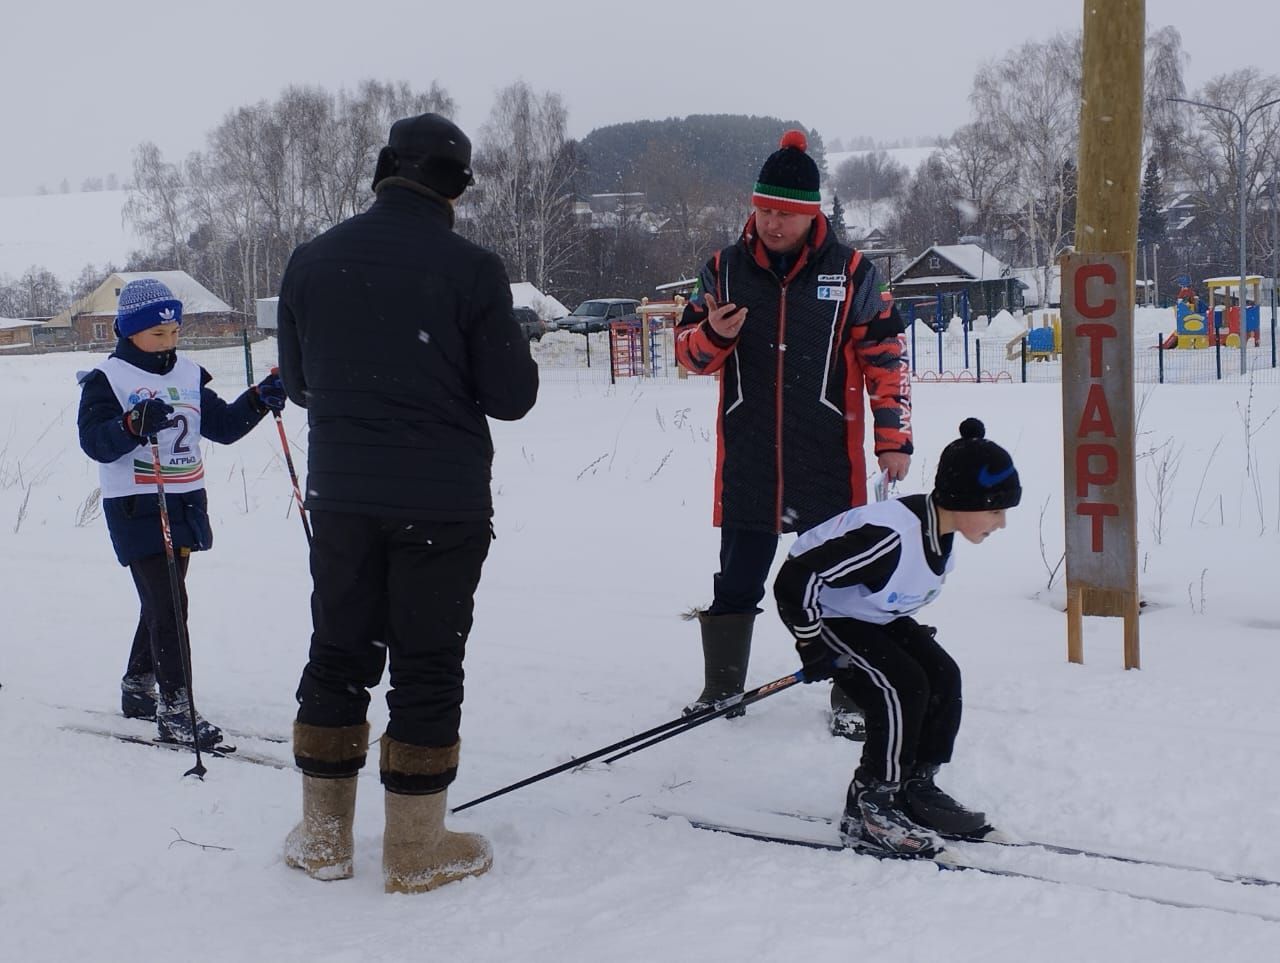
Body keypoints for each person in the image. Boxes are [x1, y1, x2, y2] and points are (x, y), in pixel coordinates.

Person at [277, 112, 538, 894]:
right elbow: (511, 396)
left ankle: (324, 837)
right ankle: (416, 848)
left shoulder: (311, 261)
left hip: (343, 500)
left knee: (338, 650)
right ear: (455, 187)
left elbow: (297, 384)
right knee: (427, 663)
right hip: (442, 504)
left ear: (384, 166)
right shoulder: (472, 269)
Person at [674, 129, 912, 735]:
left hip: (827, 461)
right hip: (750, 459)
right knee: (736, 581)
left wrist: (893, 440)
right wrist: (715, 337)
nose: (773, 224)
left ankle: (853, 693)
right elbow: (688, 356)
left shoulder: (855, 273)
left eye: (786, 214)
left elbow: (887, 359)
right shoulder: (722, 270)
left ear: (811, 215)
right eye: (765, 210)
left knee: (842, 585)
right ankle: (721, 688)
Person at [774, 418, 1021, 857]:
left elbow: (892, 588)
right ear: (963, 500)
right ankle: (872, 805)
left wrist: (902, 626)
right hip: (826, 613)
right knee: (902, 687)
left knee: (943, 675)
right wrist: (811, 643)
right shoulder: (889, 534)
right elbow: (797, 578)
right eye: (996, 510)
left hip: (869, 616)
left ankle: (915, 788)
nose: (1000, 523)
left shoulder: (939, 529)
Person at [76, 277, 286, 748]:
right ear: (128, 332)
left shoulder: (187, 374)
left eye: (173, 333)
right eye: (157, 334)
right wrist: (130, 425)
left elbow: (224, 427)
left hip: (184, 500)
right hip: (136, 503)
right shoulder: (108, 380)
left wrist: (258, 399)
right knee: (170, 604)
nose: (168, 342)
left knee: (163, 600)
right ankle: (175, 710)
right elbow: (95, 442)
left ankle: (137, 686)